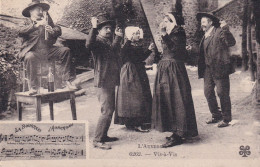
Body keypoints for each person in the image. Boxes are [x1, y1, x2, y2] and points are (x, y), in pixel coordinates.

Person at [151, 2, 198, 148]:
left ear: (173, 22)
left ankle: (179, 133)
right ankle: (175, 130)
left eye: (167, 21)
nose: (163, 23)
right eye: (163, 20)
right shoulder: (170, 34)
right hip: (165, 68)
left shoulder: (178, 32)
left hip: (174, 69)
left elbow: (177, 51)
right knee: (167, 99)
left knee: (176, 99)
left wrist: (164, 35)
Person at [18, 0, 76, 95]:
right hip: (33, 52)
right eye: (38, 9)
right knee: (29, 57)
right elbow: (20, 31)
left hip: (48, 51)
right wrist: (36, 25)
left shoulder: (47, 19)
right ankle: (33, 87)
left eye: (42, 9)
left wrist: (52, 31)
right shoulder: (25, 22)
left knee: (65, 51)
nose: (41, 12)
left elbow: (58, 29)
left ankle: (67, 81)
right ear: (30, 11)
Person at [85, 13, 123, 150]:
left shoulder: (106, 42)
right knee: (106, 110)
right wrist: (93, 28)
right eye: (106, 28)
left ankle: (103, 135)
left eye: (110, 28)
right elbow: (88, 44)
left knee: (110, 108)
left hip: (110, 80)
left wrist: (118, 37)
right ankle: (97, 139)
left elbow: (112, 52)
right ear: (99, 30)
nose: (109, 30)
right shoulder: (97, 41)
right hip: (103, 80)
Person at [196, 12, 236, 128]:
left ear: (210, 22)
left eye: (203, 22)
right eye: (201, 22)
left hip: (220, 67)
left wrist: (226, 29)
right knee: (208, 92)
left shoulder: (219, 31)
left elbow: (231, 42)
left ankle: (226, 118)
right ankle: (216, 115)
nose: (201, 24)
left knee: (222, 93)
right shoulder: (205, 35)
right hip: (208, 69)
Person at [114, 26, 154, 132]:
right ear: (130, 35)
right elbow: (123, 56)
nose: (138, 35)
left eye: (138, 33)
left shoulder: (136, 45)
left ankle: (142, 121)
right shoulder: (127, 46)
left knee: (143, 94)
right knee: (134, 97)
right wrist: (128, 41)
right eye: (135, 33)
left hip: (139, 71)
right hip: (131, 73)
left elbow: (140, 58)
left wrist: (149, 50)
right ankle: (134, 123)